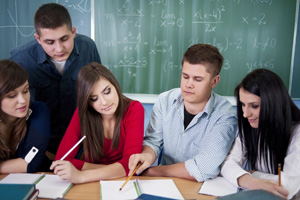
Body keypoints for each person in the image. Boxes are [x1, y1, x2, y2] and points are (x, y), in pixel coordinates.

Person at [128, 44, 237, 182]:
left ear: (214, 81)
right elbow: (153, 141)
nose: (188, 84)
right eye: (185, 76)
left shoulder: (225, 116)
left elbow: (203, 168)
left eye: (197, 79)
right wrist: (147, 155)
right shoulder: (164, 101)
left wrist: (153, 171)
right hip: (163, 183)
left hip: (200, 187)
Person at [9, 3, 101, 157]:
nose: (59, 49)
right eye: (50, 42)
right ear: (38, 39)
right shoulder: (21, 59)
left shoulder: (88, 48)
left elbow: (98, 90)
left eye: (64, 39)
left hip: (82, 143)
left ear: (73, 32)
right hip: (38, 147)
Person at [49, 62, 144, 183]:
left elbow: (130, 165)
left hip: (122, 181)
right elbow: (62, 160)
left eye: (107, 91)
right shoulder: (83, 113)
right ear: (87, 102)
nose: (104, 102)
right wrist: (117, 169)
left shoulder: (134, 109)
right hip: (94, 182)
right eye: (94, 99)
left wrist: (81, 175)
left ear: (115, 85)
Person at [221, 69, 300, 199]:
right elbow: (228, 163)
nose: (246, 114)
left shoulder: (297, 132)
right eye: (242, 104)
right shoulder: (252, 125)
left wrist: (252, 174)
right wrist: (251, 181)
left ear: (273, 103)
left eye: (254, 106)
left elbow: (287, 188)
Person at [0, 60, 50, 173]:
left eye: (25, 90)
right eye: (12, 96)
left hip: (41, 180)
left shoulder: (38, 111)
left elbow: (29, 164)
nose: (23, 100)